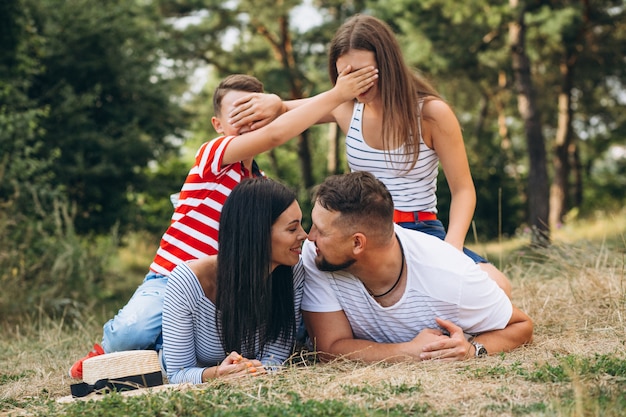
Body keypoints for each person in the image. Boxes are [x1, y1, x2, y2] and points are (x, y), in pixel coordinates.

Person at [69, 67, 378, 379]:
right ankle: (107, 352)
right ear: (218, 125)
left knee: (285, 320)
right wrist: (338, 95)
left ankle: (183, 352)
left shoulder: (261, 185)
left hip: (232, 283)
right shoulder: (214, 157)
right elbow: (275, 135)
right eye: (238, 113)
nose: (248, 122)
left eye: (255, 113)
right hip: (173, 277)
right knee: (132, 331)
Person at [228, 14, 512, 297]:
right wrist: (275, 103)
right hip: (355, 233)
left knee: (498, 288)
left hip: (420, 229)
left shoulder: (431, 114)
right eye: (346, 75)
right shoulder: (345, 107)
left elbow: (463, 190)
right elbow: (290, 111)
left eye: (364, 73)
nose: (356, 84)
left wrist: (452, 250)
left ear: (388, 65)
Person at [301, 171, 532, 363]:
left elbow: (522, 326)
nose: (308, 236)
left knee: (499, 285)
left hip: (456, 277)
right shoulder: (317, 254)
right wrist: (408, 351)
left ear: (357, 243)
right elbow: (329, 349)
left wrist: (473, 351)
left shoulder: (451, 275)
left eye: (320, 230)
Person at [162, 178, 307, 383]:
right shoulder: (188, 281)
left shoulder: (293, 271)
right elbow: (177, 374)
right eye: (292, 229)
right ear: (256, 233)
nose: (305, 235)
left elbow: (274, 360)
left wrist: (253, 371)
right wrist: (218, 374)